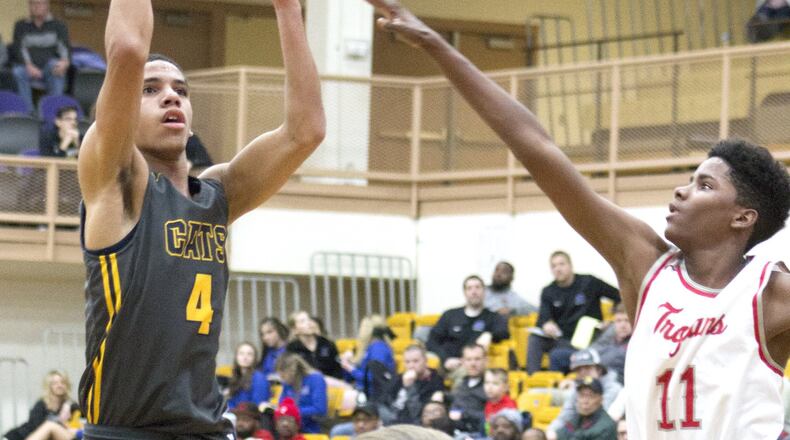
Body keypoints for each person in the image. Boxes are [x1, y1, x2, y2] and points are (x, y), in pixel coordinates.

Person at [362, 1, 790, 438]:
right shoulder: (645, 264)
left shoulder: (769, 291)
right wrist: (438, 47)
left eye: (704, 186)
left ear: (743, 217)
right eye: (689, 179)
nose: (681, 190)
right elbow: (537, 147)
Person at [77, 0, 324, 438]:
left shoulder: (218, 196)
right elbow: (129, 49)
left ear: (191, 121)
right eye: (150, 90)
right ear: (121, 114)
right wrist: (132, 71)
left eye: (181, 90)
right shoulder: (119, 187)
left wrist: (288, 8)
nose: (171, 95)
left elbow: (306, 131)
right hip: (125, 431)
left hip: (206, 428)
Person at [528, 251, 620, 374]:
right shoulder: (548, 291)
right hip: (562, 338)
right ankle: (533, 378)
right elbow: (542, 319)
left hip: (589, 339)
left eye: (561, 264)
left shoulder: (589, 282)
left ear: (570, 265)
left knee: (557, 354)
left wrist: (613, 317)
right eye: (554, 266)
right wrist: (546, 324)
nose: (558, 269)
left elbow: (619, 295)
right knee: (535, 338)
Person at [427, 275, 509, 374]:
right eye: (469, 288)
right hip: (447, 363)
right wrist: (445, 359)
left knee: (466, 372)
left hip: (471, 367)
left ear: (484, 292)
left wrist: (489, 335)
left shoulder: (492, 317)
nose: (474, 292)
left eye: (477, 287)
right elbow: (432, 341)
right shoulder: (450, 315)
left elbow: (504, 333)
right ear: (465, 293)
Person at [11, 0, 71, 111]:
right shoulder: (20, 25)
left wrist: (65, 62)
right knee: (17, 72)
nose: (37, 6)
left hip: (49, 65)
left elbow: (64, 47)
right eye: (34, 3)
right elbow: (19, 48)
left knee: (57, 68)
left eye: (40, 3)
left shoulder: (59, 25)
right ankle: (28, 113)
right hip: (28, 66)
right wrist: (28, 65)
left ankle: (55, 111)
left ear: (47, 5)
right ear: (29, 6)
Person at [546, 349, 621, 437]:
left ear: (599, 369)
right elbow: (567, 414)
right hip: (583, 429)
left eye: (587, 368)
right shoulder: (577, 388)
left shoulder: (613, 388)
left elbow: (599, 415)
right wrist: (551, 431)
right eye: (578, 370)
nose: (583, 372)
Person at [380, 343, 445, 426]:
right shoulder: (398, 378)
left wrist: (409, 387)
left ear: (425, 361)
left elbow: (418, 414)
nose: (411, 366)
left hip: (414, 425)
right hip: (392, 422)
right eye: (407, 362)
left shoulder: (435, 381)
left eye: (415, 361)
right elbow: (384, 402)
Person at [4, 371, 77, 440]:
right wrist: (63, 423)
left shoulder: (71, 405)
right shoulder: (41, 403)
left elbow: (84, 421)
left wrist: (68, 404)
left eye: (62, 382)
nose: (59, 385)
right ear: (49, 386)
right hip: (18, 436)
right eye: (55, 383)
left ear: (67, 384)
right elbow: (39, 426)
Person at [340, 314, 396, 399]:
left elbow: (373, 379)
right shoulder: (367, 348)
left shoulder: (379, 349)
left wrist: (351, 369)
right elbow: (349, 378)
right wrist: (347, 364)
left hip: (371, 393)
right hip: (361, 388)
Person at [275, 353, 328, 434]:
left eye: (283, 376)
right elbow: (282, 404)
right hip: (289, 423)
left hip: (310, 425)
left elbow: (320, 409)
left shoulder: (316, 379)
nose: (282, 379)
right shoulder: (287, 383)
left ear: (292, 372)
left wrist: (294, 412)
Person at [286, 310, 345, 380]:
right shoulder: (292, 348)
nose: (308, 323)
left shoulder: (327, 343)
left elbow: (337, 368)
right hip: (305, 384)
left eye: (309, 319)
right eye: (302, 321)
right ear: (294, 330)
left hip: (331, 383)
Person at [448, 343, 488, 435]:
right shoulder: (462, 384)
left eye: (477, 359)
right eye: (468, 359)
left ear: (485, 360)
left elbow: (491, 415)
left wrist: (464, 414)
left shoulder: (490, 385)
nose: (473, 364)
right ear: (462, 362)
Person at [588, 303, 631, 383]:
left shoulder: (637, 341)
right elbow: (593, 348)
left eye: (627, 321)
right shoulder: (611, 334)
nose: (622, 325)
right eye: (618, 321)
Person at [226, 342, 270, 410]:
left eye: (249, 354)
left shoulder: (259, 378)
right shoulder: (237, 376)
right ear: (236, 357)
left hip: (251, 416)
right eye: (241, 353)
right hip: (235, 414)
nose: (245, 357)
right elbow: (231, 403)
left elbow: (257, 405)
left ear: (254, 358)